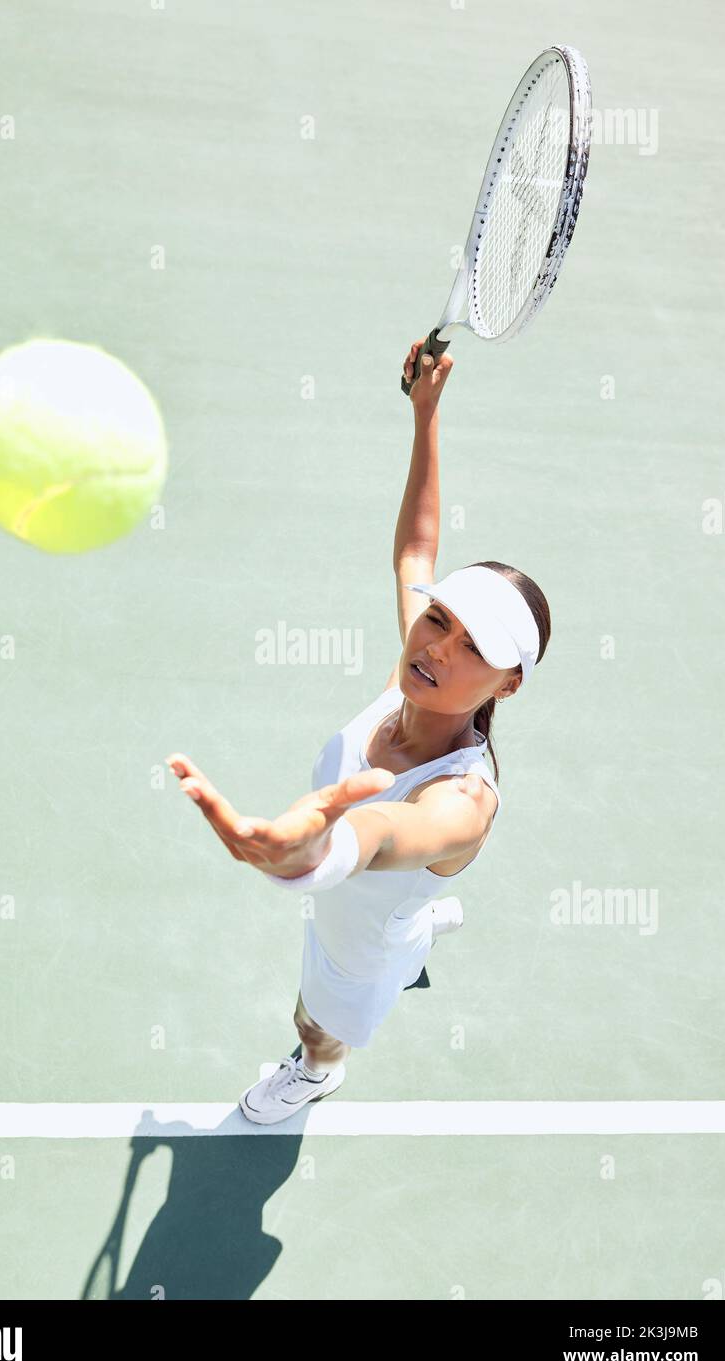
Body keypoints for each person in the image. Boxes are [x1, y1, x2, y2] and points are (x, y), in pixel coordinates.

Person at [166, 340, 551, 1126]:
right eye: (438, 619)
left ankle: (316, 1072)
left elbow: (377, 831)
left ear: (508, 683)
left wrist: (310, 849)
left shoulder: (463, 804)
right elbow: (416, 548)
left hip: (355, 944)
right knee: (406, 913)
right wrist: (426, 413)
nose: (436, 645)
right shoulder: (415, 676)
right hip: (382, 905)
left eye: (473, 647)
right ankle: (425, 921)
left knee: (319, 1021)